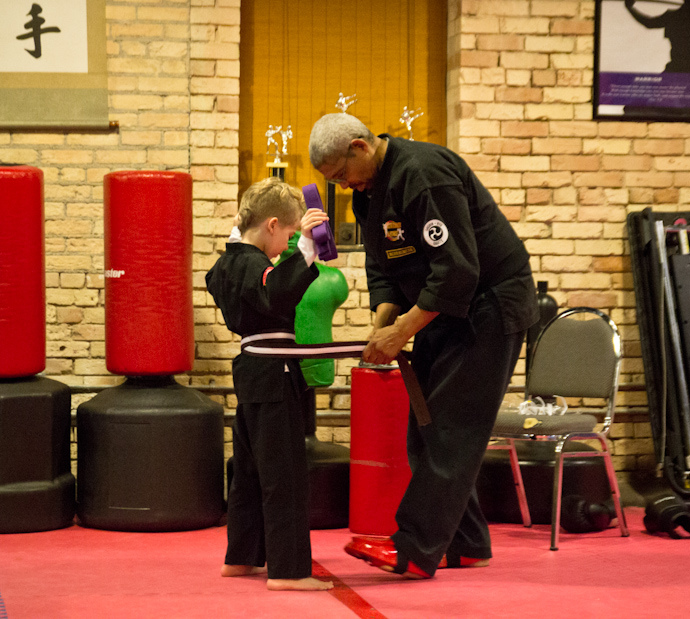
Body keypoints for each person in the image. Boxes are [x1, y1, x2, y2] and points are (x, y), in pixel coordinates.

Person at [308, 113, 539, 579]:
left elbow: (458, 269)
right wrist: (382, 323)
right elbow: (383, 266)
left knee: (452, 429)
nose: (343, 186)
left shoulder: (423, 174)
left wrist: (401, 333)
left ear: (359, 147)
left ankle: (414, 549)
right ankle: (465, 542)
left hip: (489, 305)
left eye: (341, 175)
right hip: (440, 310)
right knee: (427, 429)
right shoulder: (368, 195)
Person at [205, 177, 333, 592]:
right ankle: (289, 570)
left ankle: (241, 557)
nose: (290, 243)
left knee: (249, 471)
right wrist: (309, 249)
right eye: (291, 233)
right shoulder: (248, 263)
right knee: (285, 473)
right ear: (273, 225)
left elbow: (228, 281)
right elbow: (275, 294)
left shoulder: (227, 263)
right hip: (272, 371)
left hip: (252, 371)